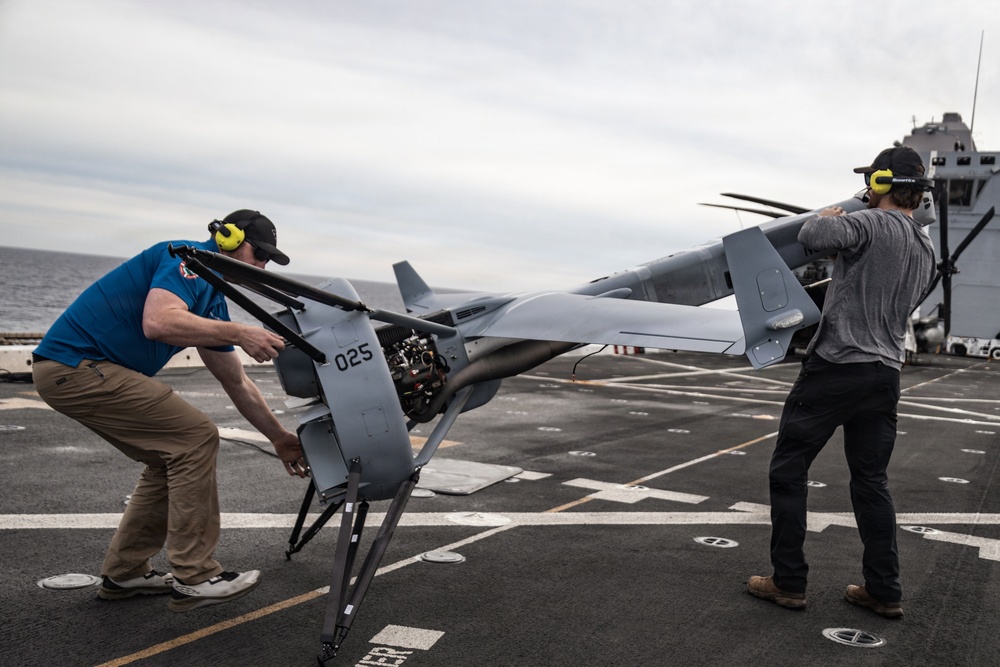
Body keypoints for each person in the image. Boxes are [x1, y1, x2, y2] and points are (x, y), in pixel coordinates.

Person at [32, 209, 307, 612]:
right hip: (77, 367)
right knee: (195, 438)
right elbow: (158, 322)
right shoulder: (184, 258)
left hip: (76, 371)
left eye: (269, 260)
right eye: (260, 254)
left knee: (168, 458)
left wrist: (278, 437)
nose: (262, 266)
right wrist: (240, 331)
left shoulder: (211, 298)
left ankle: (125, 572)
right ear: (228, 239)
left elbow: (236, 381)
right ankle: (196, 575)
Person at [747, 147, 936, 618]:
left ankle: (788, 581)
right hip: (885, 373)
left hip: (837, 366)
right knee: (871, 482)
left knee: (789, 470)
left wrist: (831, 215)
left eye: (872, 181)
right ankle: (884, 589)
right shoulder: (925, 248)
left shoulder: (868, 223)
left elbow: (813, 234)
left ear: (882, 183)